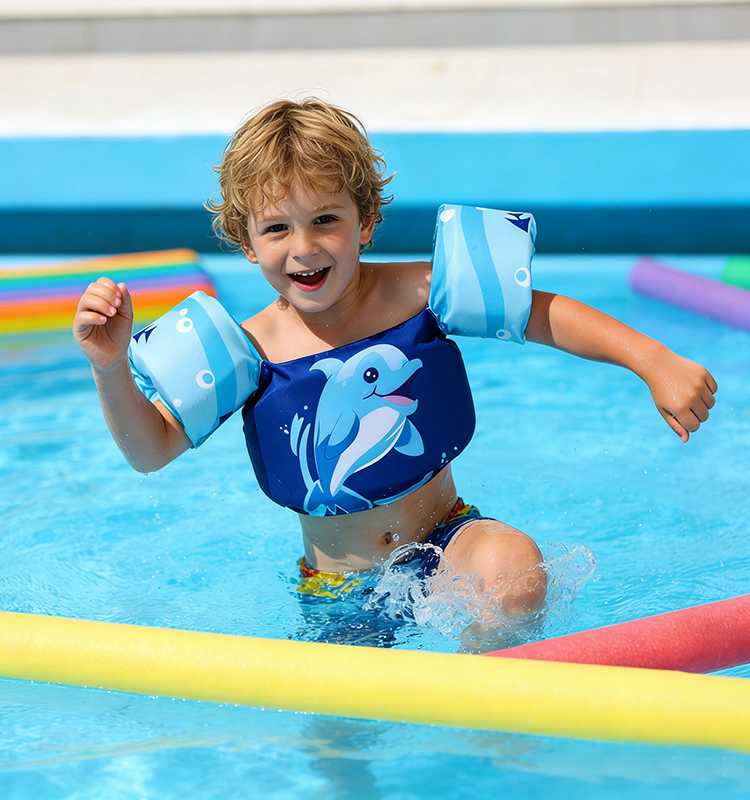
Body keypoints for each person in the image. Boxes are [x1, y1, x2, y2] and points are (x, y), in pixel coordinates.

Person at [73, 98, 717, 624]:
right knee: (340, 733)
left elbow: (541, 314)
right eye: (276, 228)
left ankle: (480, 717)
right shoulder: (248, 352)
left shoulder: (421, 292)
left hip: (447, 540)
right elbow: (151, 450)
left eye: (326, 219)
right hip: (336, 587)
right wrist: (109, 367)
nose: (304, 247)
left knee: (515, 572)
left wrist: (652, 360)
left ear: (367, 222)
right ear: (246, 242)